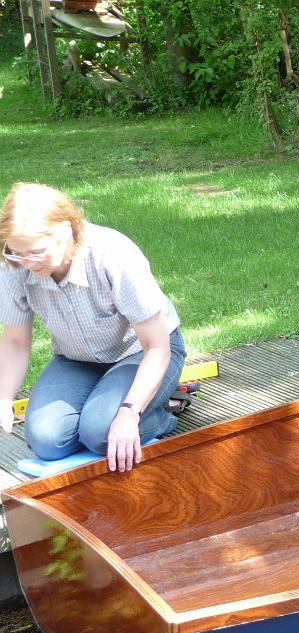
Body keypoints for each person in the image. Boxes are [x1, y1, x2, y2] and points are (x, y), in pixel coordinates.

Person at [0, 182, 185, 472]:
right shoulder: (16, 265)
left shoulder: (112, 254)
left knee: (100, 433)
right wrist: (4, 398)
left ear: (64, 230)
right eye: (17, 252)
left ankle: (161, 413)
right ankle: (101, 409)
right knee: (46, 441)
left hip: (143, 353)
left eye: (35, 252)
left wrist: (128, 413)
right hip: (77, 360)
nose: (27, 262)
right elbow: (14, 342)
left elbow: (157, 347)